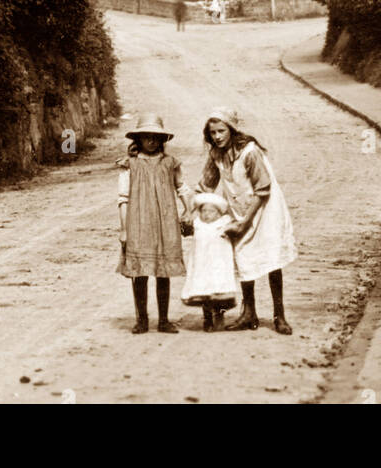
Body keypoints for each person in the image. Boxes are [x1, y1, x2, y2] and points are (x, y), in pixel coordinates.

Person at [198, 107, 297, 333]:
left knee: (272, 259)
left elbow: (263, 189)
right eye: (212, 133)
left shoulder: (249, 152)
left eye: (221, 131)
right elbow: (206, 185)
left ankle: (279, 315)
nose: (217, 136)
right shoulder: (216, 154)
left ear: (231, 130)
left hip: (265, 209)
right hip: (241, 210)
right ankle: (249, 312)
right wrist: (194, 211)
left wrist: (245, 221)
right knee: (243, 258)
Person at [117, 113, 187, 333]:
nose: (151, 141)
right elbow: (123, 199)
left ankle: (164, 320)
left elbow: (182, 187)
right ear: (138, 139)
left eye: (156, 136)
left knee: (162, 270)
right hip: (138, 223)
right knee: (140, 272)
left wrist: (190, 209)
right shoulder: (130, 165)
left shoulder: (170, 163)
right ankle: (142, 319)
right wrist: (124, 229)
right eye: (146, 136)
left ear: (163, 139)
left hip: (165, 222)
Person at [181, 191, 238, 331]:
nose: (207, 214)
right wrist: (185, 221)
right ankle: (207, 319)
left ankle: (219, 314)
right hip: (202, 265)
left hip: (219, 265)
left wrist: (230, 229)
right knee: (204, 293)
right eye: (204, 211)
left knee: (219, 292)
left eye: (211, 211)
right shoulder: (198, 224)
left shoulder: (223, 223)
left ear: (218, 213)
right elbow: (185, 231)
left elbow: (235, 229)